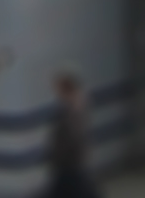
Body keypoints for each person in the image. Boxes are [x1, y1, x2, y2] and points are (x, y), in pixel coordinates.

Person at [46, 67, 103, 198]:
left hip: (70, 166)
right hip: (72, 166)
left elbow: (72, 137)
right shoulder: (78, 104)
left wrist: (57, 153)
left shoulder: (71, 108)